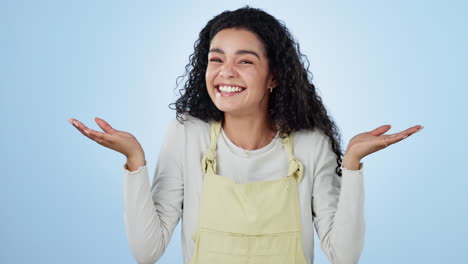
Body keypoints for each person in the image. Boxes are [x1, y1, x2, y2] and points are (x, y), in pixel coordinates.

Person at [68, 6, 423, 264]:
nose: (226, 73)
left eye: (245, 61)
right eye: (216, 59)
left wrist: (353, 165)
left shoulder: (309, 144)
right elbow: (147, 251)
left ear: (274, 77)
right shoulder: (186, 135)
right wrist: (134, 161)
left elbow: (343, 256)